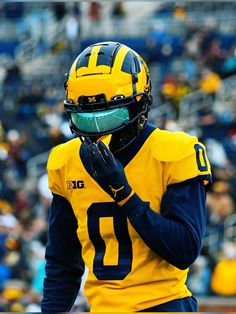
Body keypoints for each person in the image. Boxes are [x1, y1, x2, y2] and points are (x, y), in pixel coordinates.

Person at [41, 41, 212, 312]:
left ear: (140, 104)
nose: (96, 129)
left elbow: (184, 251)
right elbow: (62, 262)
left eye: (109, 116)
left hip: (164, 304)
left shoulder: (175, 151)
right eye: (86, 118)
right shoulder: (65, 160)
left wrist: (124, 193)